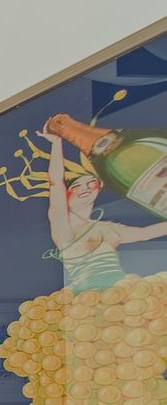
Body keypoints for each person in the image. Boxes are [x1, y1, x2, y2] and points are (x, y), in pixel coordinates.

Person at [39, 121, 167, 291]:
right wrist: (56, 143)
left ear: (98, 188)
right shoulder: (63, 224)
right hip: (86, 299)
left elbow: (145, 233)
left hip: (120, 294)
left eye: (90, 183)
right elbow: (56, 182)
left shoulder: (106, 228)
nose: (84, 188)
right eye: (75, 186)